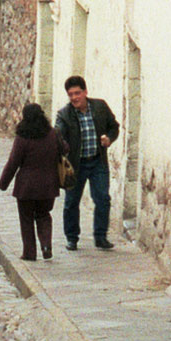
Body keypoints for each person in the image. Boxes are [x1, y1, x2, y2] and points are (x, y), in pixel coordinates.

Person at [54, 74, 121, 251]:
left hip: (98, 161)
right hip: (76, 165)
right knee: (71, 202)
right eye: (71, 94)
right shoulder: (64, 115)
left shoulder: (100, 107)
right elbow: (58, 135)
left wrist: (110, 139)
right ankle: (72, 238)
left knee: (103, 199)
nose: (74, 97)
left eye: (77, 93)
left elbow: (114, 126)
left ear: (85, 92)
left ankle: (100, 237)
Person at [0, 103, 65, 261]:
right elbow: (64, 149)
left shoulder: (22, 138)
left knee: (26, 219)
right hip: (48, 186)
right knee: (44, 215)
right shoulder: (53, 134)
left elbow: (13, 162)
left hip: (26, 188)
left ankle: (29, 252)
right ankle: (46, 245)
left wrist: (3, 183)